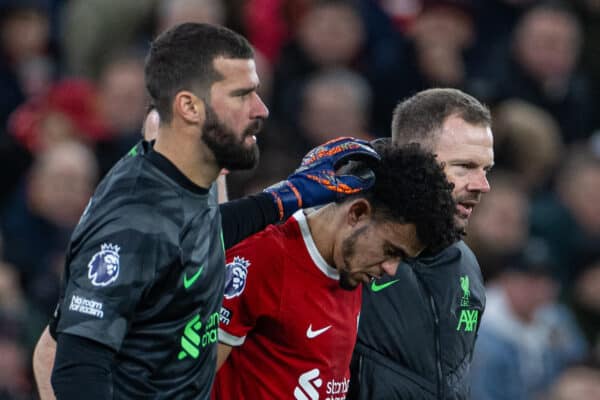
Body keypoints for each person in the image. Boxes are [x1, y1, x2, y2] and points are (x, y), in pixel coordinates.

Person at [45, 23, 379, 400]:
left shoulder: (185, 179)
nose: (261, 109)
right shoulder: (132, 222)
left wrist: (291, 195)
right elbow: (77, 368)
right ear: (189, 106)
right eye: (242, 95)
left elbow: (194, 234)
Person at [212, 142, 460, 400]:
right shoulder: (265, 256)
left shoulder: (350, 266)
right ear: (357, 213)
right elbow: (192, 383)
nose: (391, 269)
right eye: (391, 251)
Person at [348, 88, 494, 400]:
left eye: (486, 169)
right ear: (415, 158)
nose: (483, 185)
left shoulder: (465, 262)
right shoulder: (342, 248)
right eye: (465, 166)